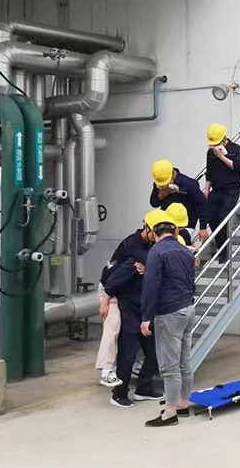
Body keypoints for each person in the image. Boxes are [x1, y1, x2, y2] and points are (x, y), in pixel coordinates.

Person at [102, 210, 164, 407]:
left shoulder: (151, 247)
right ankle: (119, 393)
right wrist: (105, 300)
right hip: (127, 306)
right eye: (156, 232)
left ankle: (144, 388)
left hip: (144, 307)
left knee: (153, 352)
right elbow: (114, 281)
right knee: (127, 353)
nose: (158, 236)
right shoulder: (133, 247)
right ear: (147, 228)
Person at [141, 211, 197, 427]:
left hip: (169, 313)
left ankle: (170, 412)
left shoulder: (156, 252)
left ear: (154, 233)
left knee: (169, 366)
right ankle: (183, 403)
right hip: (188, 309)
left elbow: (151, 286)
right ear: (174, 231)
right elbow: (191, 282)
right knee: (184, 362)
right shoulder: (185, 251)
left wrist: (146, 317)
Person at [204, 123, 240, 263]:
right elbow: (209, 171)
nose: (214, 145)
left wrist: (222, 157)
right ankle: (221, 247)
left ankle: (225, 252)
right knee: (211, 218)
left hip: (231, 189)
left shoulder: (235, 149)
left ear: (224, 138)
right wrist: (207, 189)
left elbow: (236, 167)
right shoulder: (210, 152)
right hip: (216, 189)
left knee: (223, 218)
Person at [150, 159, 207, 242]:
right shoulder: (159, 182)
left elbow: (202, 205)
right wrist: (162, 194)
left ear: (172, 174)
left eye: (165, 183)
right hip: (166, 223)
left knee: (178, 243)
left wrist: (203, 227)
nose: (163, 185)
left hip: (185, 225)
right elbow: (154, 203)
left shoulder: (189, 184)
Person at [95, 262, 122, 388]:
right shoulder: (122, 262)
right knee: (112, 327)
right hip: (111, 295)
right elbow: (110, 284)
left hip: (124, 296)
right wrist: (104, 302)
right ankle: (106, 369)